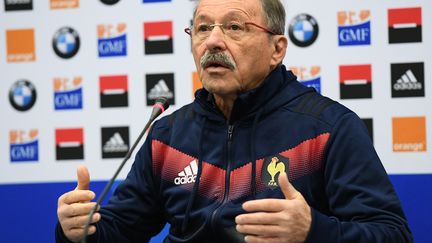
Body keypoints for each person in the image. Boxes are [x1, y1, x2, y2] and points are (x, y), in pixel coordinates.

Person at [56, 0, 413, 242]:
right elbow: (120, 230)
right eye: (201, 28)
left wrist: (313, 231)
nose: (213, 41)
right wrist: (79, 228)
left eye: (234, 28)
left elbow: (393, 233)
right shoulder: (167, 136)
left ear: (277, 49)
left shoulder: (327, 129)